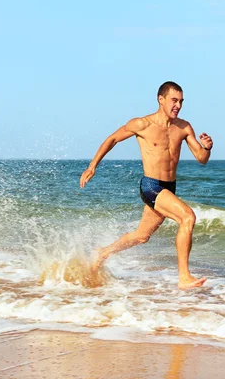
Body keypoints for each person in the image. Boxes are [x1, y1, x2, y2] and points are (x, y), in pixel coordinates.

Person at [79, 81, 213, 290]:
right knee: (188, 217)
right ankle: (184, 277)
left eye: (181, 101)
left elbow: (201, 158)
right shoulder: (143, 124)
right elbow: (113, 139)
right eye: (174, 100)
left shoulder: (183, 127)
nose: (178, 105)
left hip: (169, 187)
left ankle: (103, 252)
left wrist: (207, 148)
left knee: (141, 236)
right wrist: (92, 166)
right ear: (161, 100)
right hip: (151, 186)